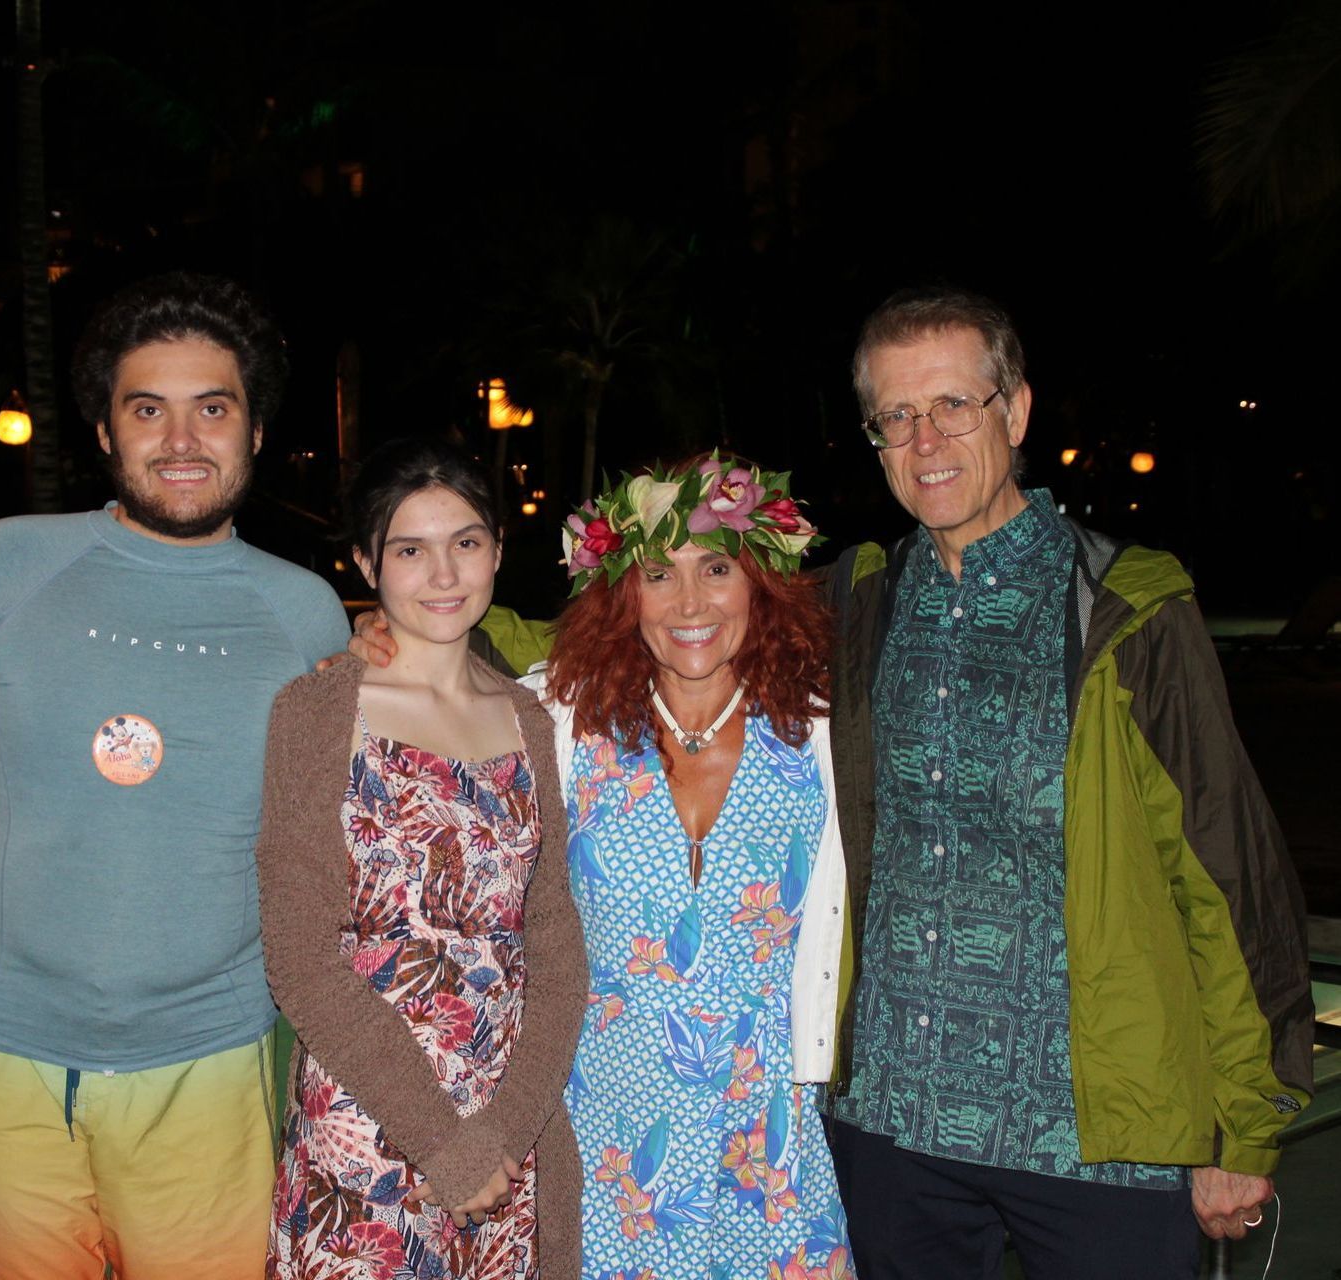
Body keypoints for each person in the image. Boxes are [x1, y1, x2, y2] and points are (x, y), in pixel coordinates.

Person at [0, 272, 350, 1280]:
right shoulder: (3, 567)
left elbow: (335, 845)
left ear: (255, 432)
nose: (180, 440)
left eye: (213, 408)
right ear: (104, 431)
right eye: (147, 409)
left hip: (207, 1058)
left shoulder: (303, 616)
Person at [820, 286, 1314, 1278]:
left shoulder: (1123, 606)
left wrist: (1242, 1125)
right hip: (890, 1120)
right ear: (873, 438)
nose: (928, 439)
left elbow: (1227, 870)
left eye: (954, 403)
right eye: (897, 416)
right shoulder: (854, 598)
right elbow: (663, 628)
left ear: (1016, 410)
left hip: (1100, 1139)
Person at [255, 439, 587, 1279]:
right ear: (367, 560)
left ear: (499, 551)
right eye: (410, 549)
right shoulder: (319, 710)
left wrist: (502, 1136)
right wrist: (440, 1140)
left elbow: (551, 940)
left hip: (507, 1138)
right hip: (366, 1135)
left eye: (466, 542)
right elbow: (298, 957)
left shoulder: (529, 717)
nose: (444, 574)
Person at [540, 456, 856, 1278]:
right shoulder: (565, 721)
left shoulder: (822, 729)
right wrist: (370, 647)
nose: (689, 604)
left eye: (716, 569)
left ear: (761, 583)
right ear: (621, 594)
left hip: (766, 1142)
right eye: (658, 573)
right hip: (607, 1143)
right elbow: (449, 676)